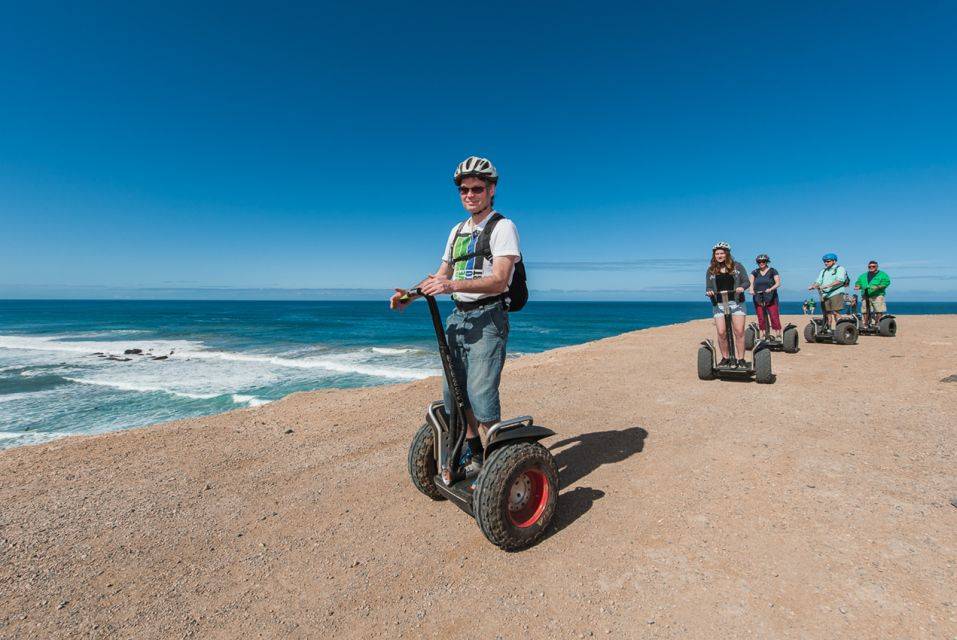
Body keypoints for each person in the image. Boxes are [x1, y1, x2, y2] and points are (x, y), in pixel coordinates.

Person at [390, 156, 520, 473]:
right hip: (458, 318)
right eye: (464, 190)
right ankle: (476, 454)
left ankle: (497, 466)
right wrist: (409, 296)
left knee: (480, 394)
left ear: (491, 190)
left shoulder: (502, 227)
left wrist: (452, 285)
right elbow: (440, 274)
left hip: (488, 319)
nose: (470, 195)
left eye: (477, 189)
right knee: (456, 394)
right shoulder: (457, 231)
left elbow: (501, 279)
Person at [705, 242, 750, 367]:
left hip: (736, 303)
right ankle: (725, 358)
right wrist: (709, 291)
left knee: (739, 331)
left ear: (727, 254)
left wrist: (741, 287)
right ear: (714, 255)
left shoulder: (737, 266)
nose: (719, 255)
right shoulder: (711, 270)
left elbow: (746, 281)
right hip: (719, 304)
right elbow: (709, 286)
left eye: (722, 253)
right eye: (717, 253)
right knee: (721, 332)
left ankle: (741, 359)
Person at [808, 253, 848, 329]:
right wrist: (813, 286)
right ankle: (828, 328)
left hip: (836, 292)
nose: (826, 263)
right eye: (825, 261)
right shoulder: (823, 271)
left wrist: (827, 285)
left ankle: (840, 329)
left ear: (834, 261)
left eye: (828, 261)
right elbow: (818, 281)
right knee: (827, 313)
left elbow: (840, 280)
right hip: (824, 294)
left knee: (835, 312)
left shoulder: (840, 269)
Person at [747, 254, 782, 340]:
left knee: (774, 316)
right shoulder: (755, 272)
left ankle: (778, 335)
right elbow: (750, 282)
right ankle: (763, 334)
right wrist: (751, 289)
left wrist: (771, 289)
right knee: (761, 317)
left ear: (767, 262)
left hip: (771, 297)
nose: (761, 263)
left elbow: (778, 283)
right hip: (758, 297)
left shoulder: (773, 271)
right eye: (759, 262)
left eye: (763, 261)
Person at [854, 260, 891, 325]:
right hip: (865, 295)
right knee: (865, 310)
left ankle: (878, 324)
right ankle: (866, 323)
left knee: (879, 310)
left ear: (877, 267)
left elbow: (886, 282)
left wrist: (878, 287)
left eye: (873, 266)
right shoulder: (863, 275)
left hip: (877, 295)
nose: (871, 267)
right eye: (869, 266)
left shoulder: (882, 275)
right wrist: (857, 286)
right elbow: (858, 283)